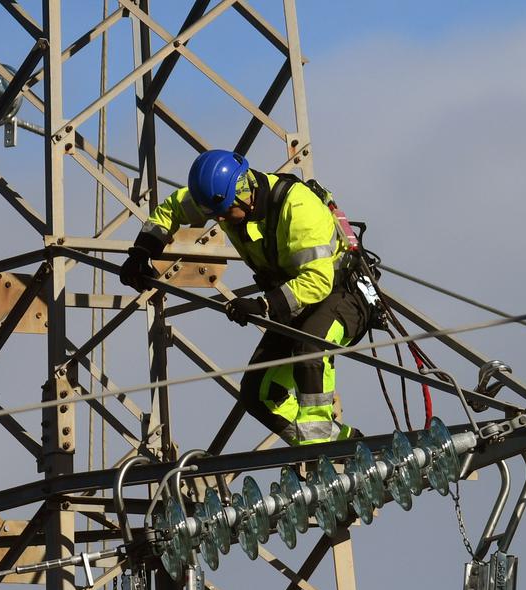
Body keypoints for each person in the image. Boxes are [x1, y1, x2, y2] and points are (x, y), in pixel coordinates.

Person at [121, 149, 377, 445]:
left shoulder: (298, 207)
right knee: (258, 394)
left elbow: (318, 281)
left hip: (341, 294)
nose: (221, 220)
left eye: (226, 212)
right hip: (295, 300)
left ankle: (319, 447)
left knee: (310, 352)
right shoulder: (219, 199)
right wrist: (142, 252)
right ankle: (341, 444)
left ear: (246, 193)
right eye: (214, 215)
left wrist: (264, 304)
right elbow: (172, 211)